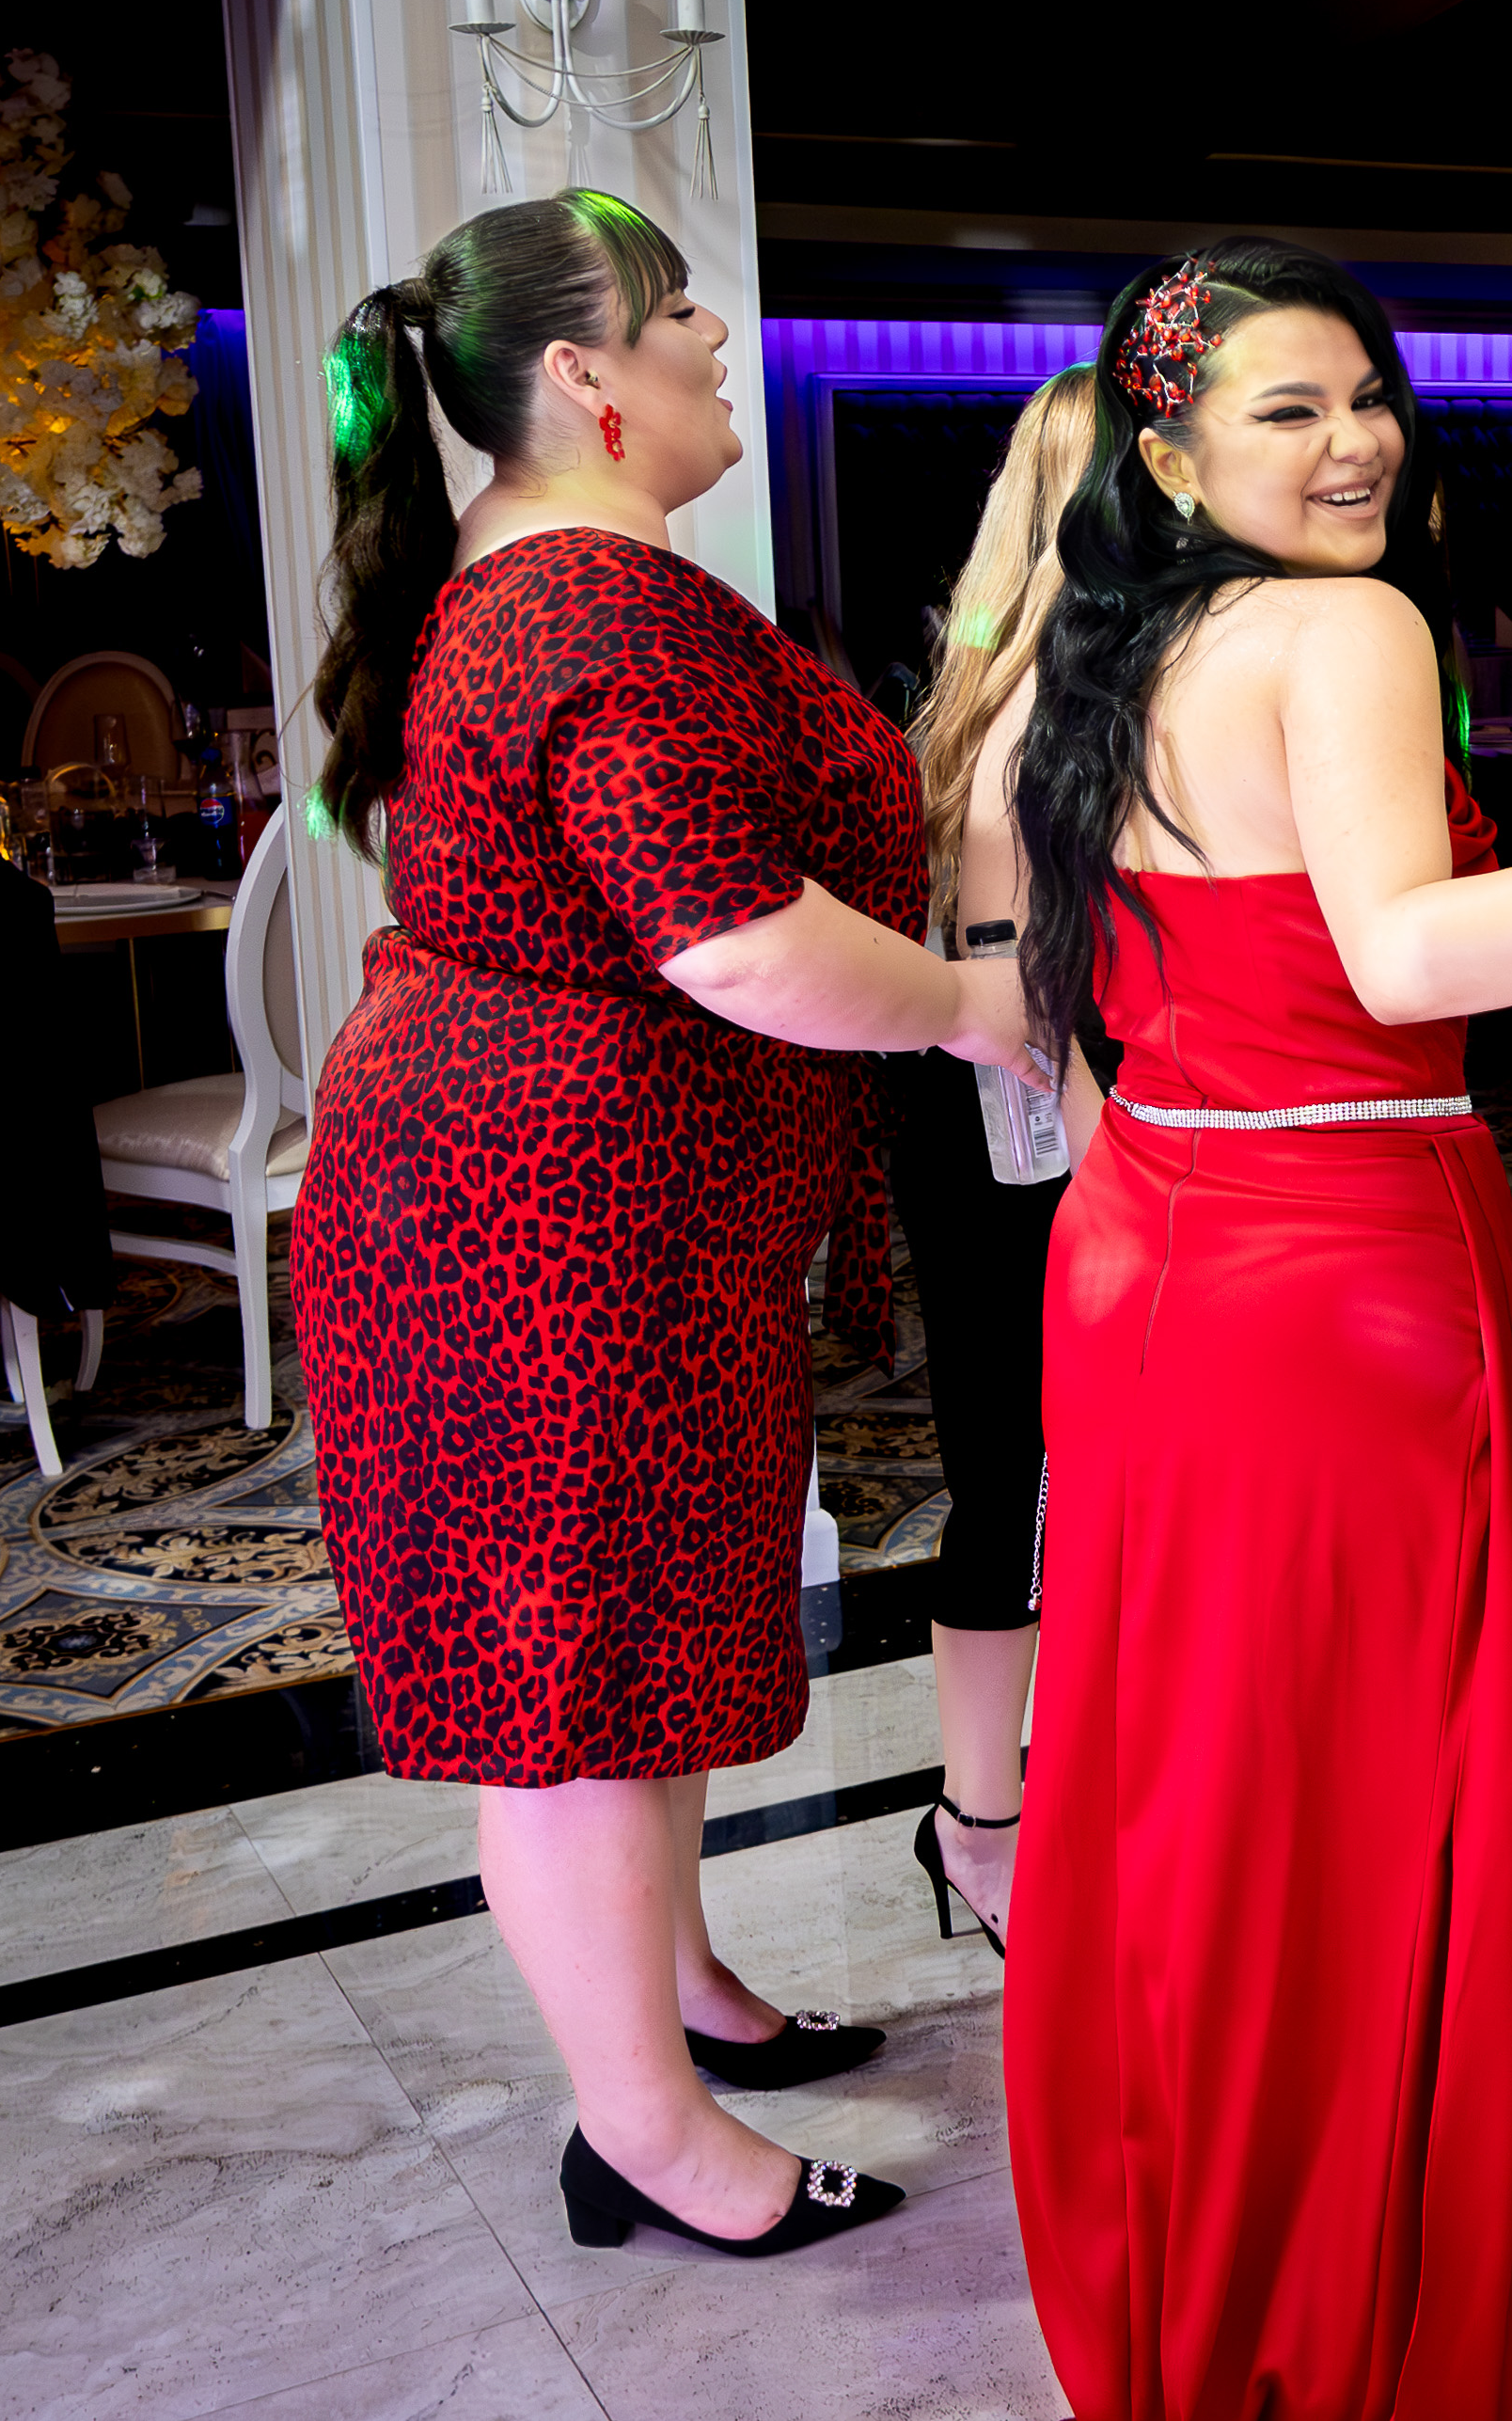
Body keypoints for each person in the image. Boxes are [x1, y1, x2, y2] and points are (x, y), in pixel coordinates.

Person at [999, 235, 1512, 2420]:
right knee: (1367, 1824)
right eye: (1290, 409)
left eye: (1368, 394)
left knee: (1201, 1802)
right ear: (1171, 454)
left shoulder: (1123, 642)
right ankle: (1373, 2326)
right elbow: (1395, 957)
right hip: (1340, 1266)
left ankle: (1222, 2289)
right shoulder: (1343, 628)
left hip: (1155, 1243)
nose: (1355, 441)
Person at [291, 187, 1030, 2258]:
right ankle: (641, 2133)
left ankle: (678, 1990)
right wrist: (974, 1006)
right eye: (678, 311)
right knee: (573, 1699)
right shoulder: (581, 608)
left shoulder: (554, 578)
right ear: (582, 375)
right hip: (537, 1231)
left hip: (593, 1212)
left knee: (635, 1656)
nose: (718, 339)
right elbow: (728, 936)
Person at [884, 362, 1096, 1953]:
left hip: (1005, 1095)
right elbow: (1019, 964)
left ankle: (1012, 1807)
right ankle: (980, 1820)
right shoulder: (1044, 686)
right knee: (1022, 1476)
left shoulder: (999, 666)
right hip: (1019, 1103)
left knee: (1034, 1472)